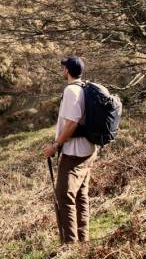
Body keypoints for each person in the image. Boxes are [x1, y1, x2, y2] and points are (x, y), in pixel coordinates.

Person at [42, 55, 97, 244]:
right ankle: (83, 242)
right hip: (89, 149)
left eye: (63, 67)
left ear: (67, 71)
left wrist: (55, 146)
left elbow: (72, 123)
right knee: (81, 195)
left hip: (75, 153)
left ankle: (70, 246)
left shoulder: (71, 91)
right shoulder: (85, 88)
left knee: (64, 197)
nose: (62, 70)